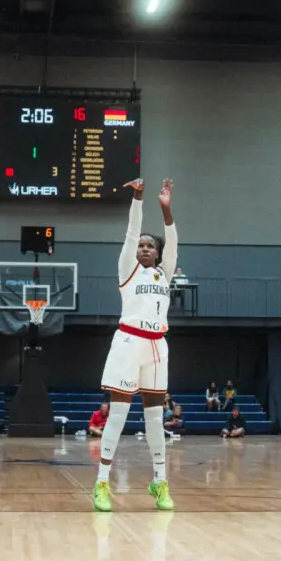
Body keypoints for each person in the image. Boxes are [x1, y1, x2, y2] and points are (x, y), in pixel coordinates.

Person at [93, 178, 177, 513]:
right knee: (119, 414)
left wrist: (166, 210)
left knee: (155, 419)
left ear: (156, 253)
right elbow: (130, 232)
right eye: (141, 245)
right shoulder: (128, 271)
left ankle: (160, 480)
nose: (143, 248)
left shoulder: (163, 274)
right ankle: (101, 481)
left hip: (157, 346)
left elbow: (173, 243)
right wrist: (138, 199)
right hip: (128, 342)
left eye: (149, 246)